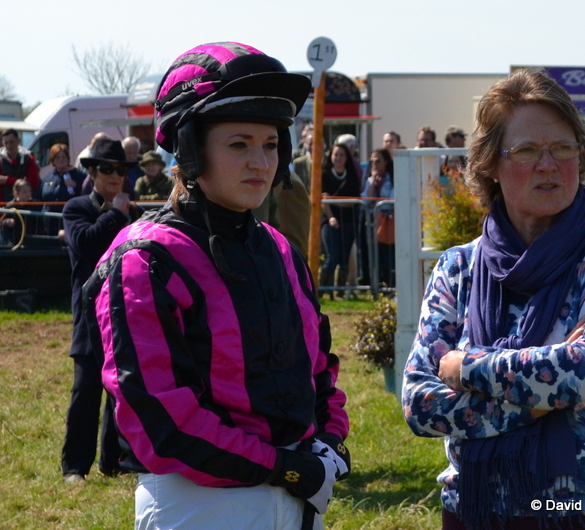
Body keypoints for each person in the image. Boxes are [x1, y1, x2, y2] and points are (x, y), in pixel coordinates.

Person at [83, 41, 350, 530]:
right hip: (198, 504)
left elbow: (318, 368)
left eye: (270, 144)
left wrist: (330, 440)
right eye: (239, 144)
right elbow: (160, 421)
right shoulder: (146, 259)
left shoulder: (280, 249)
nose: (261, 162)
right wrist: (283, 466)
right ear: (190, 150)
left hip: (296, 497)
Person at [402, 68, 585, 530]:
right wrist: (541, 396)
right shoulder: (458, 268)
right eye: (526, 150)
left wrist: (468, 368)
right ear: (490, 166)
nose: (548, 164)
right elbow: (420, 403)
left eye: (563, 148)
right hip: (474, 507)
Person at [60, 138, 143, 484]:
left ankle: (115, 460)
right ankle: (74, 467)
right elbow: (86, 244)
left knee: (121, 390)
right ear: (92, 172)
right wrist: (116, 214)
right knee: (86, 390)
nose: (115, 176)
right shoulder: (76, 208)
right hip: (89, 314)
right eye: (107, 169)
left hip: (123, 312)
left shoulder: (133, 213)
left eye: (121, 170)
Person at [320, 143, 361, 298]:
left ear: (347, 158)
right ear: (331, 156)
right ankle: (319, 291)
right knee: (333, 257)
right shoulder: (324, 174)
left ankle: (339, 292)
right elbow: (323, 200)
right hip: (329, 221)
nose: (338, 158)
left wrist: (333, 201)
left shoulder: (351, 176)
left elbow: (355, 200)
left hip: (349, 221)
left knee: (344, 259)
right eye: (335, 154)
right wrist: (331, 216)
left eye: (341, 155)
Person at [362, 148, 395, 287]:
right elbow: (365, 200)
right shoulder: (370, 180)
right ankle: (376, 283)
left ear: (386, 162)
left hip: (387, 222)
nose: (374, 164)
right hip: (372, 222)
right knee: (373, 254)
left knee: (387, 254)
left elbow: (392, 199)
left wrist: (377, 204)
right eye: (372, 162)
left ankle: (389, 283)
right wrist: (373, 181)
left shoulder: (392, 179)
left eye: (378, 161)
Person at [0, 128, 40, 204]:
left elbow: (34, 183)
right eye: (6, 143)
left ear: (18, 141)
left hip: (27, 206)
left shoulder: (29, 159)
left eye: (11, 142)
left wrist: (7, 180)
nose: (9, 146)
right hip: (6, 207)